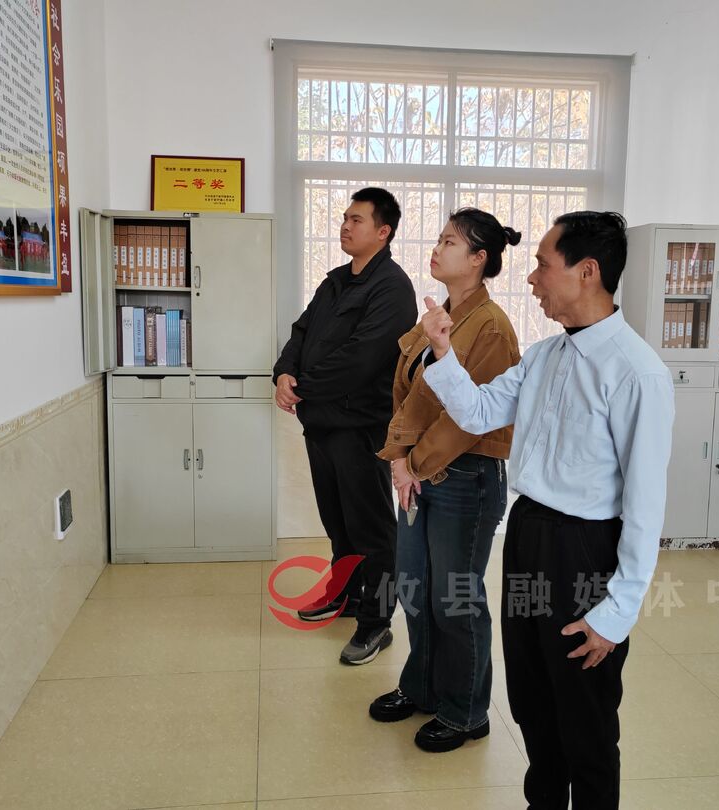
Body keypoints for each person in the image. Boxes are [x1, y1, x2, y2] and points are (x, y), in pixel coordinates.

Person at [419, 211, 674, 808]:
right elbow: (479, 412)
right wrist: (442, 350)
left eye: (542, 265)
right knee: (533, 701)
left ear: (587, 272)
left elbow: (645, 506)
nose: (532, 279)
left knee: (584, 718)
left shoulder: (637, 373)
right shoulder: (544, 356)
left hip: (585, 550)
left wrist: (615, 615)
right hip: (528, 532)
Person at [368, 209, 520, 753]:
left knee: (456, 597)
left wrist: (413, 464)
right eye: (438, 239)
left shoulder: (492, 327)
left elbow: (468, 418)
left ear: (479, 259)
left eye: (450, 242)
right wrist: (400, 459)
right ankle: (423, 688)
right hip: (419, 470)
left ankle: (466, 712)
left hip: (465, 475)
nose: (437, 249)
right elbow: (407, 391)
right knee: (415, 587)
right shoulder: (438, 316)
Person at [273, 187, 417, 665]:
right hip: (321, 424)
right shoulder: (335, 281)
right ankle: (346, 596)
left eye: (357, 220)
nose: (345, 226)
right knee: (338, 523)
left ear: (383, 231)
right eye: (344, 218)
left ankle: (377, 622)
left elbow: (362, 357)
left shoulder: (392, 288)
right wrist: (284, 373)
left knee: (372, 530)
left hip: (361, 427)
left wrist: (305, 386)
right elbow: (301, 332)